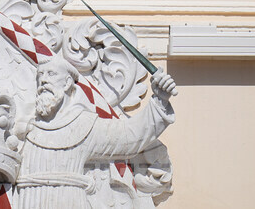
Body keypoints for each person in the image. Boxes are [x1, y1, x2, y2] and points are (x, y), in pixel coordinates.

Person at [14, 55, 177, 209]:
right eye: (40, 75)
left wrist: (160, 100)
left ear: (67, 83)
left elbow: (130, 136)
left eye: (51, 74)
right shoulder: (28, 129)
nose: (43, 80)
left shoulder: (84, 126)